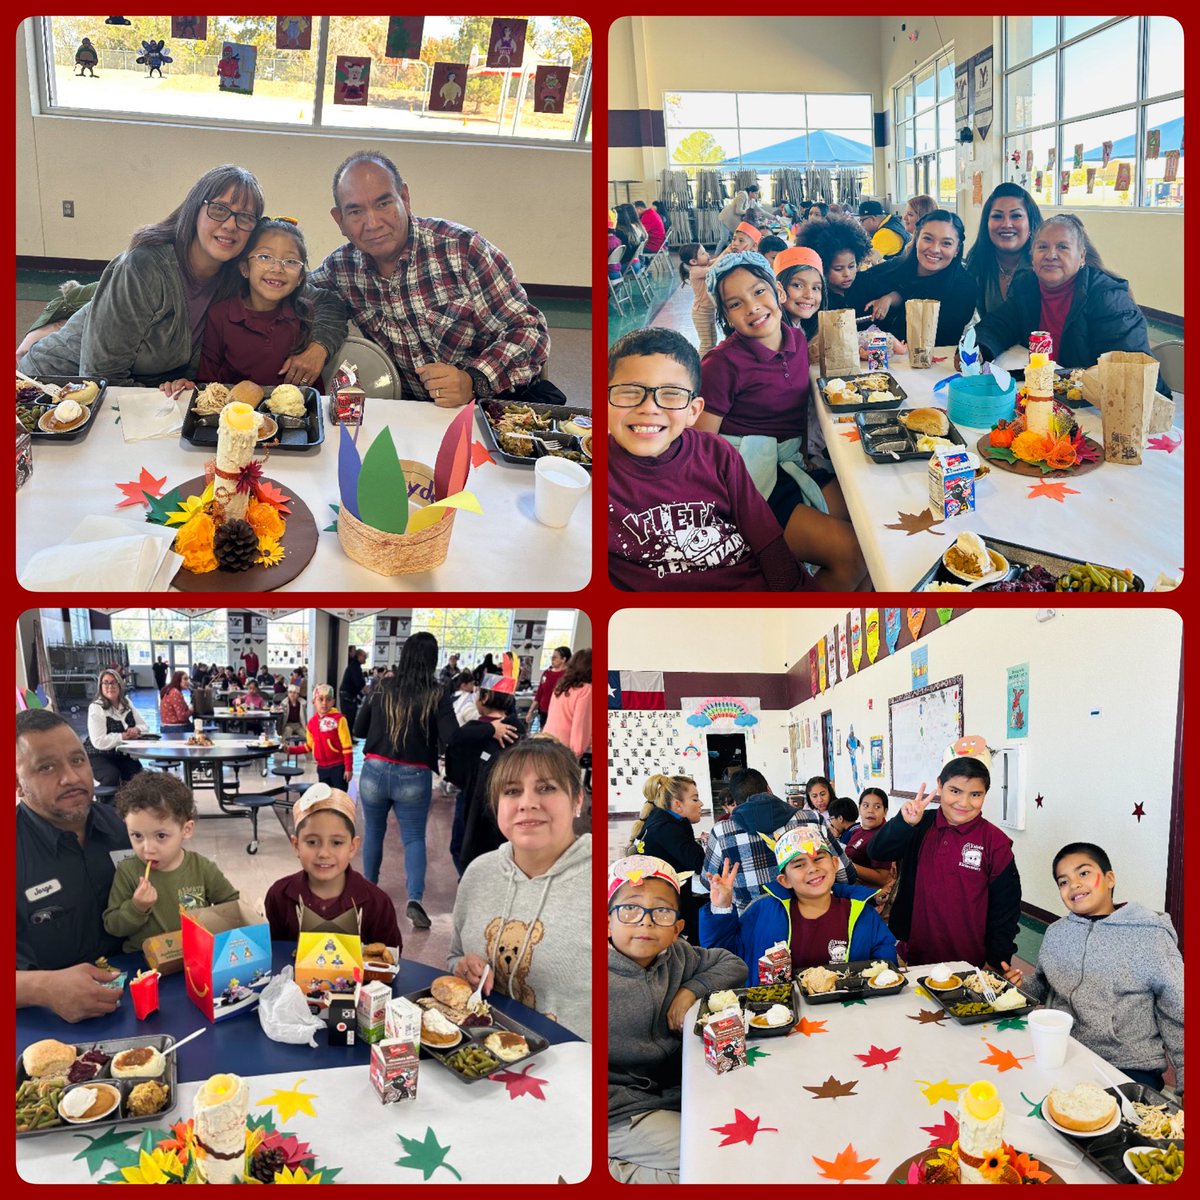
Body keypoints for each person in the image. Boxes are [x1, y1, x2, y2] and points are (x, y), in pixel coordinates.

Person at [18, 164, 343, 389]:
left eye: (244, 218)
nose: (230, 225)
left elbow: (324, 300)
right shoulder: (144, 266)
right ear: (194, 209)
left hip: (147, 397)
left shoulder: (237, 271)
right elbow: (101, 377)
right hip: (58, 390)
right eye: (219, 209)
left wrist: (318, 348)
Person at [309, 151, 549, 404]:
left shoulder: (463, 250)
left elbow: (530, 330)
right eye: (356, 211)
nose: (372, 223)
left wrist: (474, 380)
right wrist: (319, 343)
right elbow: (291, 293)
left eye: (383, 204)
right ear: (340, 220)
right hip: (413, 412)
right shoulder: (341, 269)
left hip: (490, 405)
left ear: (404, 198)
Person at [699, 253, 867, 592]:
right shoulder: (721, 364)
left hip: (791, 463)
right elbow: (700, 447)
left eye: (759, 291)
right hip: (747, 477)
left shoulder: (797, 340)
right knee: (852, 555)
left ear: (778, 291)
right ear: (727, 318)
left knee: (869, 527)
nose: (752, 307)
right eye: (735, 303)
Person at [607, 327, 803, 591]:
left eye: (671, 394)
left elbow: (767, 541)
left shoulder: (717, 453)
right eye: (629, 391)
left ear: (694, 411)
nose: (649, 407)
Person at [608, 855, 745, 1184]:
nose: (646, 922)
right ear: (605, 922)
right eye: (630, 909)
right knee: (715, 1159)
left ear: (678, 929)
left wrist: (690, 990)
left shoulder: (676, 955)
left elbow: (733, 964)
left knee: (744, 1135)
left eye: (662, 911)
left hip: (674, 1092)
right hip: (619, 1112)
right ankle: (612, 1169)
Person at [449, 738, 591, 1038]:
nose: (527, 802)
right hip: (480, 1058)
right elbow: (455, 955)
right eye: (512, 791)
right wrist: (461, 968)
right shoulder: (478, 873)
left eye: (546, 788)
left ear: (577, 799)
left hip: (571, 1068)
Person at [1024, 843, 1183, 1092]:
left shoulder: (1150, 936)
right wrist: (1016, 988)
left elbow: (1178, 1012)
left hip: (1128, 1066)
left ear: (1109, 879)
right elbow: (1044, 984)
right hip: (1062, 1050)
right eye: (1063, 881)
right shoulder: (1056, 933)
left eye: (1084, 873)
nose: (1073, 884)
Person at [869, 740, 1023, 984]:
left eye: (975, 794)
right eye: (955, 791)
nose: (963, 803)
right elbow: (877, 850)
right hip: (912, 954)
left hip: (970, 963)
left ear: (985, 794)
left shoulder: (996, 843)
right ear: (940, 786)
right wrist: (904, 823)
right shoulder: (920, 825)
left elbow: (1006, 910)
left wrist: (995, 960)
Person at [973, 213, 1167, 394]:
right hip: (1051, 394)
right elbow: (999, 324)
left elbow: (1132, 375)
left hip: (1106, 405)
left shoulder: (1108, 299)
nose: (1051, 255)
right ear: (1032, 256)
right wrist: (979, 348)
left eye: (1062, 247)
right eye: (1042, 247)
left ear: (1082, 256)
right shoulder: (1027, 286)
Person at [16, 711, 129, 1021]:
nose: (71, 778)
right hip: (46, 1024)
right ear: (17, 783)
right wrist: (42, 988)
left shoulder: (125, 831)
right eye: (47, 767)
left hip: (139, 1000)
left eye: (78, 760)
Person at [702, 827, 896, 984]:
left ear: (835, 863)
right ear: (784, 880)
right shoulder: (763, 912)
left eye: (819, 858)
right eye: (799, 864)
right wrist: (721, 908)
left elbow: (885, 966)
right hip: (781, 1018)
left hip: (848, 1012)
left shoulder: (863, 914)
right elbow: (723, 955)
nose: (813, 868)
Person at [354, 632, 453, 930]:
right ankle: (415, 900)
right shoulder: (438, 693)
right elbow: (451, 738)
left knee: (373, 831)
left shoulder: (382, 686)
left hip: (374, 770)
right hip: (414, 775)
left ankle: (367, 892)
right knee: (413, 838)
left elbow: (359, 727)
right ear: (432, 660)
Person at [159, 217, 321, 393]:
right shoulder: (220, 315)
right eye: (265, 257)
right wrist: (186, 386)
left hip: (292, 416)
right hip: (233, 415)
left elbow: (315, 392)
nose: (277, 269)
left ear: (300, 277)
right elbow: (207, 383)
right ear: (244, 268)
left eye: (290, 261)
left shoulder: (305, 313)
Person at [102, 771, 239, 953]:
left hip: (195, 956)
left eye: (160, 836)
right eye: (137, 836)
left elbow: (231, 904)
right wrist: (137, 907)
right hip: (143, 962)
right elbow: (113, 926)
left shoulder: (202, 868)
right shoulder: (128, 871)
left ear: (186, 829)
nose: (147, 848)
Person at [701, 768, 857, 915]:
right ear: (769, 789)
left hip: (754, 927)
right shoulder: (811, 820)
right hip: (810, 919)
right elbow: (846, 874)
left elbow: (710, 883)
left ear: (735, 802)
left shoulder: (722, 832)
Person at [264, 783, 403, 947]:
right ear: (296, 846)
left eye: (336, 842)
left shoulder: (376, 904)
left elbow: (390, 961)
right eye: (312, 842)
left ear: (352, 847)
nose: (324, 853)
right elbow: (272, 955)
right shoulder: (279, 896)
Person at [853, 209, 978, 347]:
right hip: (873, 361)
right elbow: (855, 286)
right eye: (928, 239)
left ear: (957, 250)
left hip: (931, 364)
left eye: (946, 243)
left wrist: (896, 298)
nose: (935, 249)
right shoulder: (894, 268)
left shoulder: (964, 288)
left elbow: (937, 339)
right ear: (916, 239)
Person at [443, 687, 526, 875]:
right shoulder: (517, 730)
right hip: (509, 803)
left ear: (486, 697)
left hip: (472, 798)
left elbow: (454, 757)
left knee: (462, 846)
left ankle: (468, 883)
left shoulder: (472, 731)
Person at [626, 774, 706, 941]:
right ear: (677, 805)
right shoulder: (667, 828)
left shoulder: (662, 818)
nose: (701, 804)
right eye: (695, 799)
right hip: (658, 907)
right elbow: (700, 863)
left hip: (661, 896)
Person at [964, 183, 1043, 318]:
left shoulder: (1046, 265)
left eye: (1016, 216)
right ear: (986, 224)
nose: (1006, 224)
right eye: (997, 216)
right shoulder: (976, 266)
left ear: (1031, 222)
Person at [85, 669, 148, 789]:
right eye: (106, 683)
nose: (110, 686)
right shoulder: (96, 708)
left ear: (120, 685)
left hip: (122, 754)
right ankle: (107, 806)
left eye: (114, 682)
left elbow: (144, 727)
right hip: (99, 754)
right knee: (111, 776)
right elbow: (99, 741)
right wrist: (123, 736)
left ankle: (133, 806)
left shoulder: (127, 703)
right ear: (100, 686)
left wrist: (136, 730)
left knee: (138, 777)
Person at [796, 213, 872, 310]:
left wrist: (889, 298)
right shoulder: (819, 299)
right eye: (838, 269)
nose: (847, 274)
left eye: (851, 266)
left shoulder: (863, 285)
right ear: (822, 267)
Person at [543, 648, 593, 757]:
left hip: (547, 740)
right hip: (565, 749)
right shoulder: (586, 690)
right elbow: (580, 726)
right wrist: (577, 752)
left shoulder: (561, 685)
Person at [844, 787, 895, 891]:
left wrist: (848, 866)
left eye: (877, 807)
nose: (870, 810)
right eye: (865, 806)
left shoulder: (882, 837)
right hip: (848, 884)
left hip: (867, 894)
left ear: (885, 812)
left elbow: (883, 878)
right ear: (859, 809)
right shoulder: (857, 830)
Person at [306, 684, 353, 790]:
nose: (324, 703)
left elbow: (347, 746)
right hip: (322, 768)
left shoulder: (339, 719)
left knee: (339, 797)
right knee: (325, 797)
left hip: (338, 766)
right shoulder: (311, 723)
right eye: (320, 699)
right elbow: (309, 746)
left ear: (333, 701)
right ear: (314, 702)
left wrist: (348, 768)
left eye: (328, 699)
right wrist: (290, 749)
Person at [676, 243, 719, 356]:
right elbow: (715, 267)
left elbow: (716, 261)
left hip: (709, 312)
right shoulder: (695, 271)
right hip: (701, 313)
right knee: (706, 344)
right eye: (703, 253)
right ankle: (701, 367)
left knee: (713, 341)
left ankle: (709, 364)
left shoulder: (702, 266)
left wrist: (728, 251)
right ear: (693, 262)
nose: (707, 254)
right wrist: (727, 256)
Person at [533, 645, 571, 729]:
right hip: (543, 710)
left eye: (555, 657)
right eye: (552, 657)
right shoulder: (547, 673)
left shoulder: (568, 675)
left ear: (563, 659)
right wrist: (530, 711)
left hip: (558, 713)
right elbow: (539, 693)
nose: (552, 659)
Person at [715, 184, 754, 253]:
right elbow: (738, 210)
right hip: (726, 218)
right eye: (756, 193)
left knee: (731, 239)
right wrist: (747, 212)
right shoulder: (743, 195)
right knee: (724, 239)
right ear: (751, 192)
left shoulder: (750, 200)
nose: (757, 195)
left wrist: (774, 217)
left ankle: (729, 254)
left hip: (731, 221)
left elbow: (760, 210)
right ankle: (716, 255)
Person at [339, 647, 367, 728]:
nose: (365, 659)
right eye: (364, 657)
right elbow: (359, 683)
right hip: (347, 696)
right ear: (359, 656)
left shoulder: (355, 666)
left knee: (350, 719)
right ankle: (347, 739)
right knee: (349, 719)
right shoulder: (355, 667)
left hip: (348, 695)